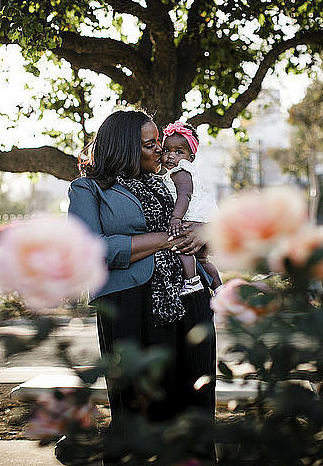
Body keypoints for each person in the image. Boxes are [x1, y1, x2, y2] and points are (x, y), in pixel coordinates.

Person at [68, 110, 216, 461]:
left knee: (194, 403)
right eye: (151, 145)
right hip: (130, 305)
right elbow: (90, 249)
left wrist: (203, 234)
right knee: (138, 406)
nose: (160, 152)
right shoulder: (88, 189)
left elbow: (206, 234)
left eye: (160, 144)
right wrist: (166, 238)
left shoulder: (173, 183)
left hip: (190, 298)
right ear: (123, 149)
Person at [161, 120, 223, 296]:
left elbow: (185, 195)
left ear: (191, 157)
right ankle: (219, 287)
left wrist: (175, 218)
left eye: (178, 152)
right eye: (167, 150)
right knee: (202, 259)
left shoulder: (181, 170)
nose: (171, 156)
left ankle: (192, 281)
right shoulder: (179, 170)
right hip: (205, 216)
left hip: (192, 215)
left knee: (181, 245)